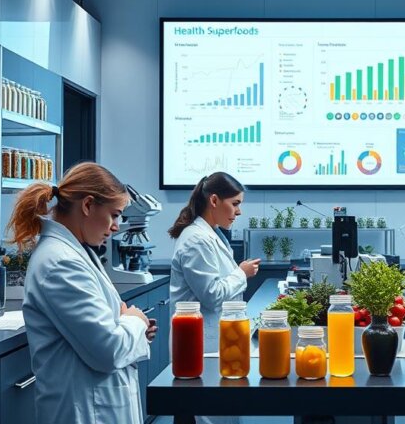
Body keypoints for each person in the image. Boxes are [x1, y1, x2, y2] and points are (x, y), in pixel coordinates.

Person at [15, 162, 157, 424]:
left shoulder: (76, 253)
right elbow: (109, 349)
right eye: (114, 214)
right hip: (84, 412)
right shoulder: (60, 263)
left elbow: (102, 331)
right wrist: (134, 321)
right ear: (88, 205)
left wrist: (134, 328)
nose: (116, 226)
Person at [169, 172, 260, 351]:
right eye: (235, 204)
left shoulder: (210, 234)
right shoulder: (196, 240)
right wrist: (242, 273)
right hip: (199, 344)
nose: (239, 211)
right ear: (214, 201)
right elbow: (212, 295)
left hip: (214, 339)